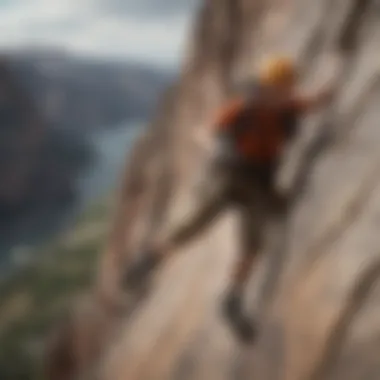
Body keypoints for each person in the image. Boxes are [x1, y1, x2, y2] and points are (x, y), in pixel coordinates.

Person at [123, 55, 337, 343]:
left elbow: (312, 102)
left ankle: (232, 298)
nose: (282, 94)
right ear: (266, 86)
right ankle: (148, 260)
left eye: (285, 89)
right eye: (278, 88)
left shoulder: (287, 107)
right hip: (230, 177)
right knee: (190, 228)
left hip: (259, 181)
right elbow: (212, 133)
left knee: (252, 245)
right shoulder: (241, 110)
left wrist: (331, 87)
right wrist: (220, 149)